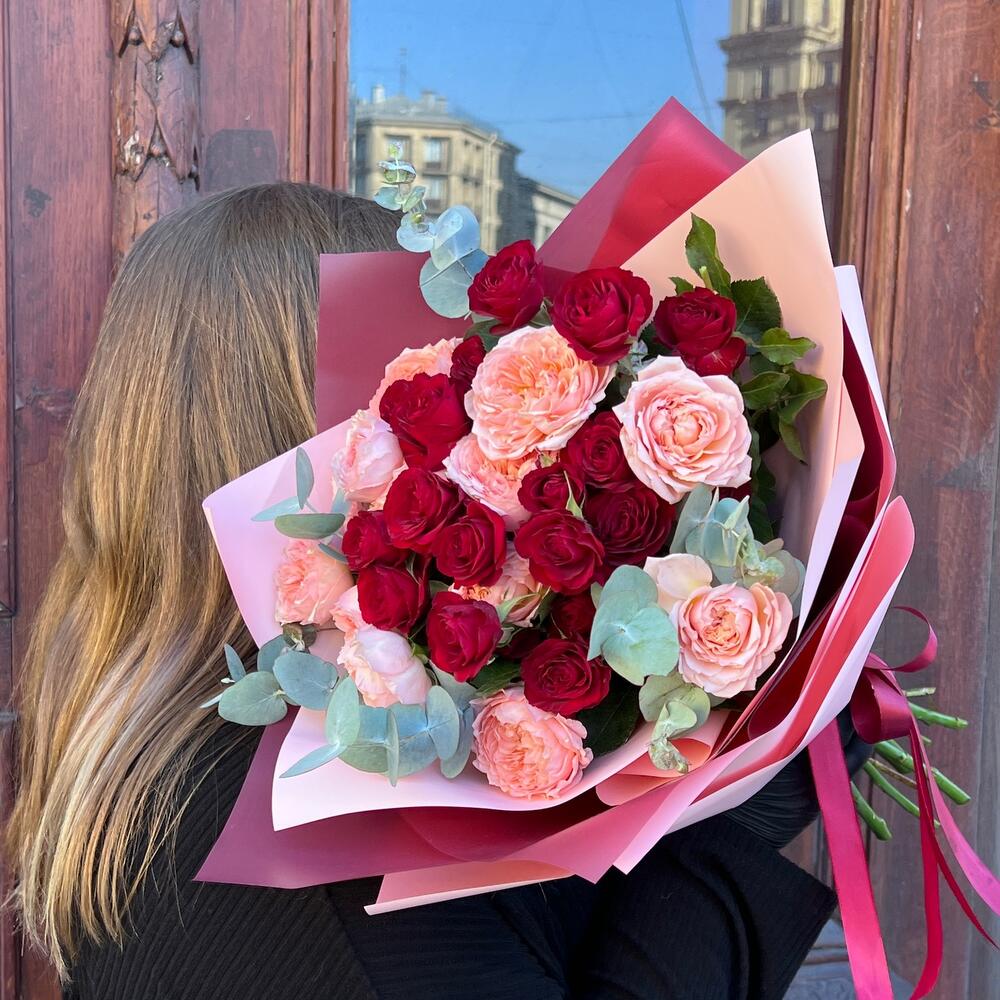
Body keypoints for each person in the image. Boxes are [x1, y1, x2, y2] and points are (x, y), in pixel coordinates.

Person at [5, 182, 858, 1000]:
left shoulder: (156, 763)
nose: (455, 422)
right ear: (327, 434)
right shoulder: (313, 846)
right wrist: (744, 808)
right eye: (415, 390)